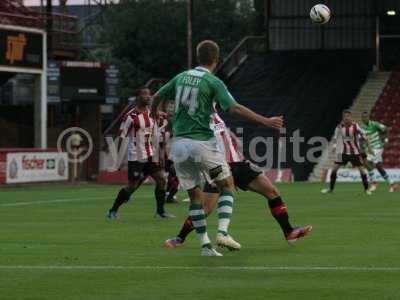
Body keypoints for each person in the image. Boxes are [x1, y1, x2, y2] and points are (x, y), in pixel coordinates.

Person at [152, 40, 284, 256]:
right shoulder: (213, 82)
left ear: (197, 57)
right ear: (216, 59)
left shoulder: (180, 77)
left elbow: (157, 96)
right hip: (201, 142)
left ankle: (205, 246)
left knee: (196, 198)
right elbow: (235, 108)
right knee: (227, 184)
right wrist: (266, 122)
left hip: (178, 145)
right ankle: (223, 232)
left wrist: (156, 113)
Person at [164, 111, 312, 248]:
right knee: (206, 209)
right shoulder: (194, 121)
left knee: (272, 192)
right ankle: (180, 238)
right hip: (217, 166)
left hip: (238, 163)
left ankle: (289, 232)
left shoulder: (214, 112)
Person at [107, 87, 175, 219]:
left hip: (151, 154)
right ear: (137, 97)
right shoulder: (130, 116)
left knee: (161, 179)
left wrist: (160, 154)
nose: (148, 97)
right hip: (136, 156)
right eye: (144, 94)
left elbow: (156, 136)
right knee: (132, 186)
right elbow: (121, 136)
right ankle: (113, 210)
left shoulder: (152, 114)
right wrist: (118, 157)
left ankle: (160, 212)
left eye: (149, 94)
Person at [321, 110, 370, 194]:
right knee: (334, 170)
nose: (346, 118)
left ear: (351, 117)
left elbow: (363, 134)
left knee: (362, 170)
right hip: (343, 153)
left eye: (348, 116)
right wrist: (334, 147)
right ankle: (331, 189)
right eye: (344, 116)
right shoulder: (339, 127)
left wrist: (367, 143)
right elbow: (336, 139)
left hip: (355, 153)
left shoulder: (355, 126)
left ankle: (366, 190)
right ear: (343, 118)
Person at [361, 111, 397, 192]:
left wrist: (386, 139)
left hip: (377, 147)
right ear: (362, 119)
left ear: (368, 117)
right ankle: (392, 184)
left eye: (366, 117)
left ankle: (374, 183)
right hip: (370, 149)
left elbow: (386, 129)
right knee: (379, 167)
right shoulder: (362, 128)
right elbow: (364, 139)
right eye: (363, 117)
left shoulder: (374, 124)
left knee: (366, 162)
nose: (364, 119)